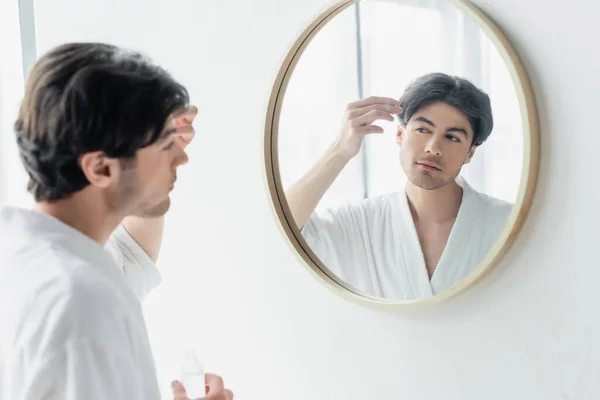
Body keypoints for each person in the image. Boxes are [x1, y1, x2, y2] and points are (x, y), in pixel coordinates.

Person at [0, 43, 233, 400]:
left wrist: (157, 145)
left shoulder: (30, 257)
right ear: (101, 168)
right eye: (167, 144)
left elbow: (131, 255)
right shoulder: (82, 303)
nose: (182, 157)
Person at [286, 72, 512, 300]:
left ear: (470, 153)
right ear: (399, 134)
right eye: (423, 130)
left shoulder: (507, 223)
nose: (433, 148)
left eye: (452, 138)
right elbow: (281, 232)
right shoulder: (361, 223)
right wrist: (340, 151)